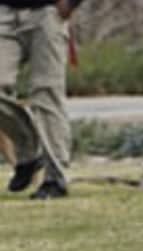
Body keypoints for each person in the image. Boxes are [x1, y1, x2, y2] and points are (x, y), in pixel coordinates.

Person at [0, 0, 83, 199]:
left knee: (46, 94)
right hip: (4, 13)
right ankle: (29, 150)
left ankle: (55, 179)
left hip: (47, 12)